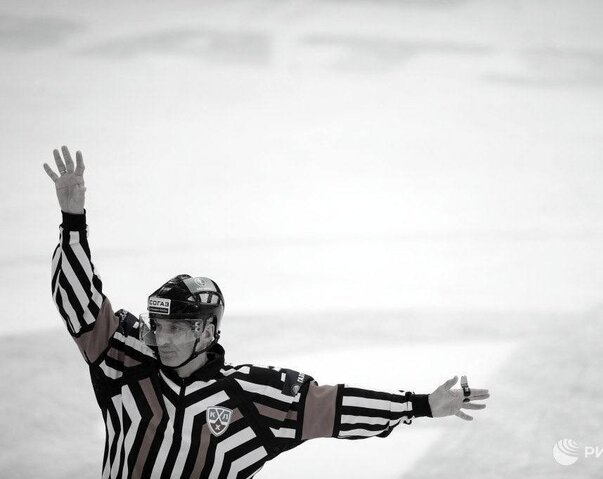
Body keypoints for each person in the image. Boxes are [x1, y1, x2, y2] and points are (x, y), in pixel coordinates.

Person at [44, 145, 490, 479]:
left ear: (207, 332)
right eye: (159, 326)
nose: (165, 338)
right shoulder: (126, 358)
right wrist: (73, 220)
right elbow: (78, 302)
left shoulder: (252, 396)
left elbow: (334, 407)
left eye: (179, 328)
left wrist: (421, 406)